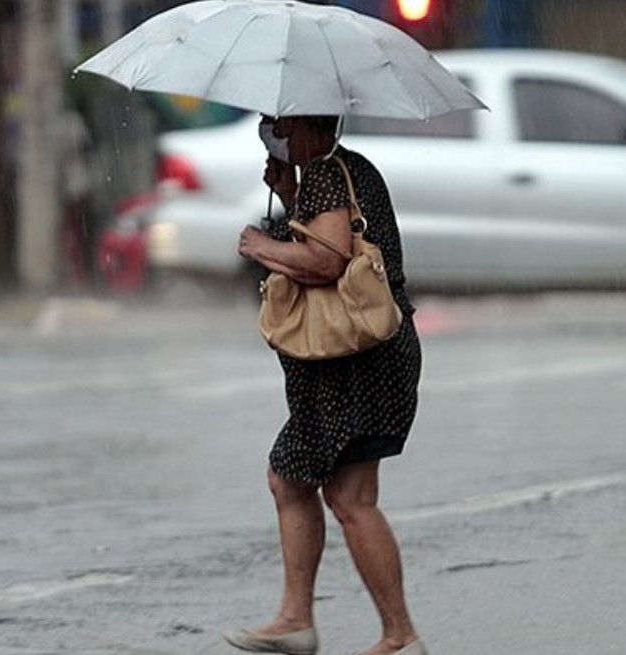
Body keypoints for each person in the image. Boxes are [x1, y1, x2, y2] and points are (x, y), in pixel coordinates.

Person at [228, 114, 426, 655]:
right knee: (307, 482)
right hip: (365, 358)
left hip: (355, 365)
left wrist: (258, 246)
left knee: (341, 494)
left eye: (279, 120)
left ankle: (396, 635)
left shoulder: (323, 171)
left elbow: (327, 260)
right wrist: (289, 194)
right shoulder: (344, 170)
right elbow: (330, 238)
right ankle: (301, 620)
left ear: (303, 121)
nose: (272, 129)